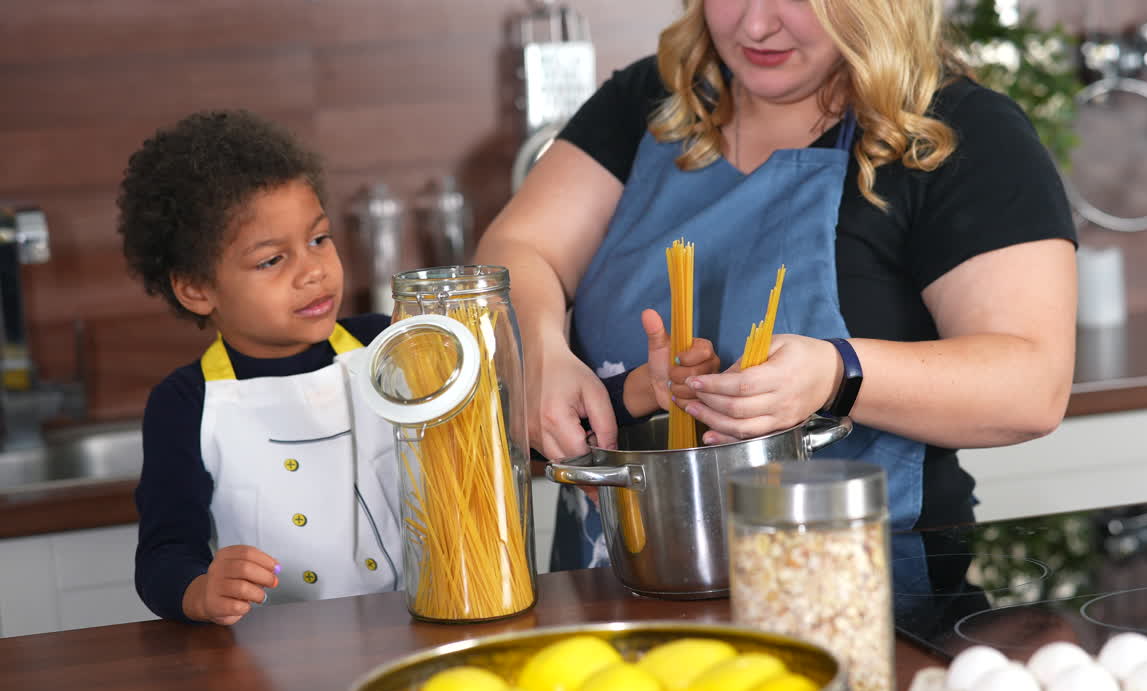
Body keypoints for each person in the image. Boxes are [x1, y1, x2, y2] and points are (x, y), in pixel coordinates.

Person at [476, 0, 1077, 570]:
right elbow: (520, 250)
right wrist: (540, 352)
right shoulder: (654, 102)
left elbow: (1031, 384)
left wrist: (834, 374)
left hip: (867, 593)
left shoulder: (958, 132)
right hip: (617, 588)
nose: (756, 25)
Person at [120, 110, 401, 624]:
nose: (313, 271)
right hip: (277, 660)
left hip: (412, 624)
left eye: (319, 239)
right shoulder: (186, 402)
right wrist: (200, 589)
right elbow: (163, 554)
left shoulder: (384, 343)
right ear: (197, 289)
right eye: (272, 260)